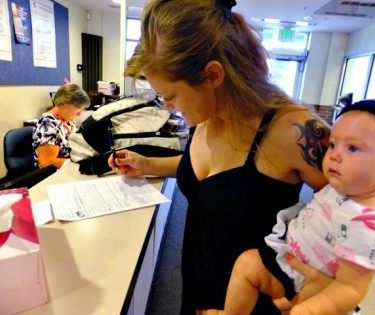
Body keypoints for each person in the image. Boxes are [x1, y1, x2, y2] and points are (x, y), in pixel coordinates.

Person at [108, 0, 332, 313]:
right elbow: (213, 181)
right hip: (198, 291)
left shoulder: (293, 131)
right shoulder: (206, 115)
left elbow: (361, 215)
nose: (168, 106)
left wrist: (308, 297)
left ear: (213, 74)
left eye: (170, 96)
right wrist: (146, 164)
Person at [222, 99, 375, 315]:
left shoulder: (369, 227)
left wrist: (311, 309)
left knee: (248, 265)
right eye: (333, 144)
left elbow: (351, 287)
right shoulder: (350, 185)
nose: (334, 155)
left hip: (304, 279)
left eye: (353, 148)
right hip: (290, 254)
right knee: (247, 263)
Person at [33, 83, 90, 168]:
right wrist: (79, 162)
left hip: (69, 168)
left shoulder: (66, 120)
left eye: (82, 109)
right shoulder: (47, 124)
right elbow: (47, 162)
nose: (80, 114)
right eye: (78, 109)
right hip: (54, 174)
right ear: (63, 104)